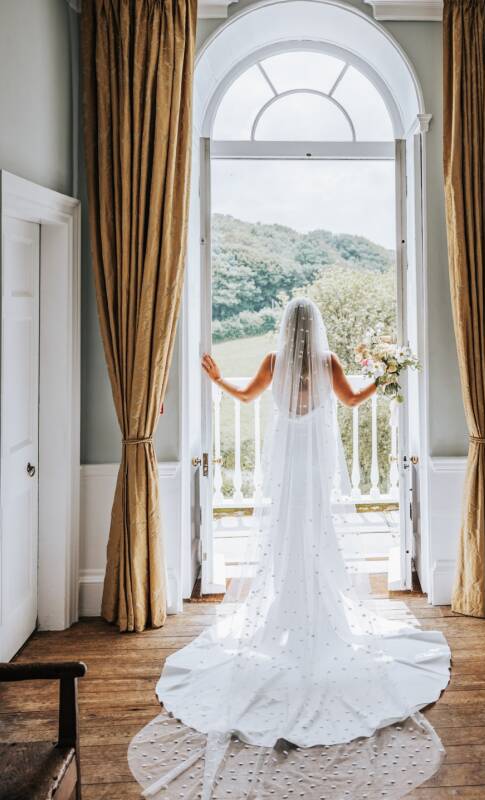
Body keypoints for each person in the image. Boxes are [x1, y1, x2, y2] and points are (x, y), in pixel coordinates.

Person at [129, 298, 451, 800]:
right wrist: (388, 378)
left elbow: (243, 396)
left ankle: (284, 610)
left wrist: (215, 378)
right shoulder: (328, 365)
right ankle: (317, 611)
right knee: (319, 538)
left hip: (285, 471)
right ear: (316, 329)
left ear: (286, 327)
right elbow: (351, 402)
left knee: (282, 541)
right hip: (316, 470)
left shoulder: (273, 363)